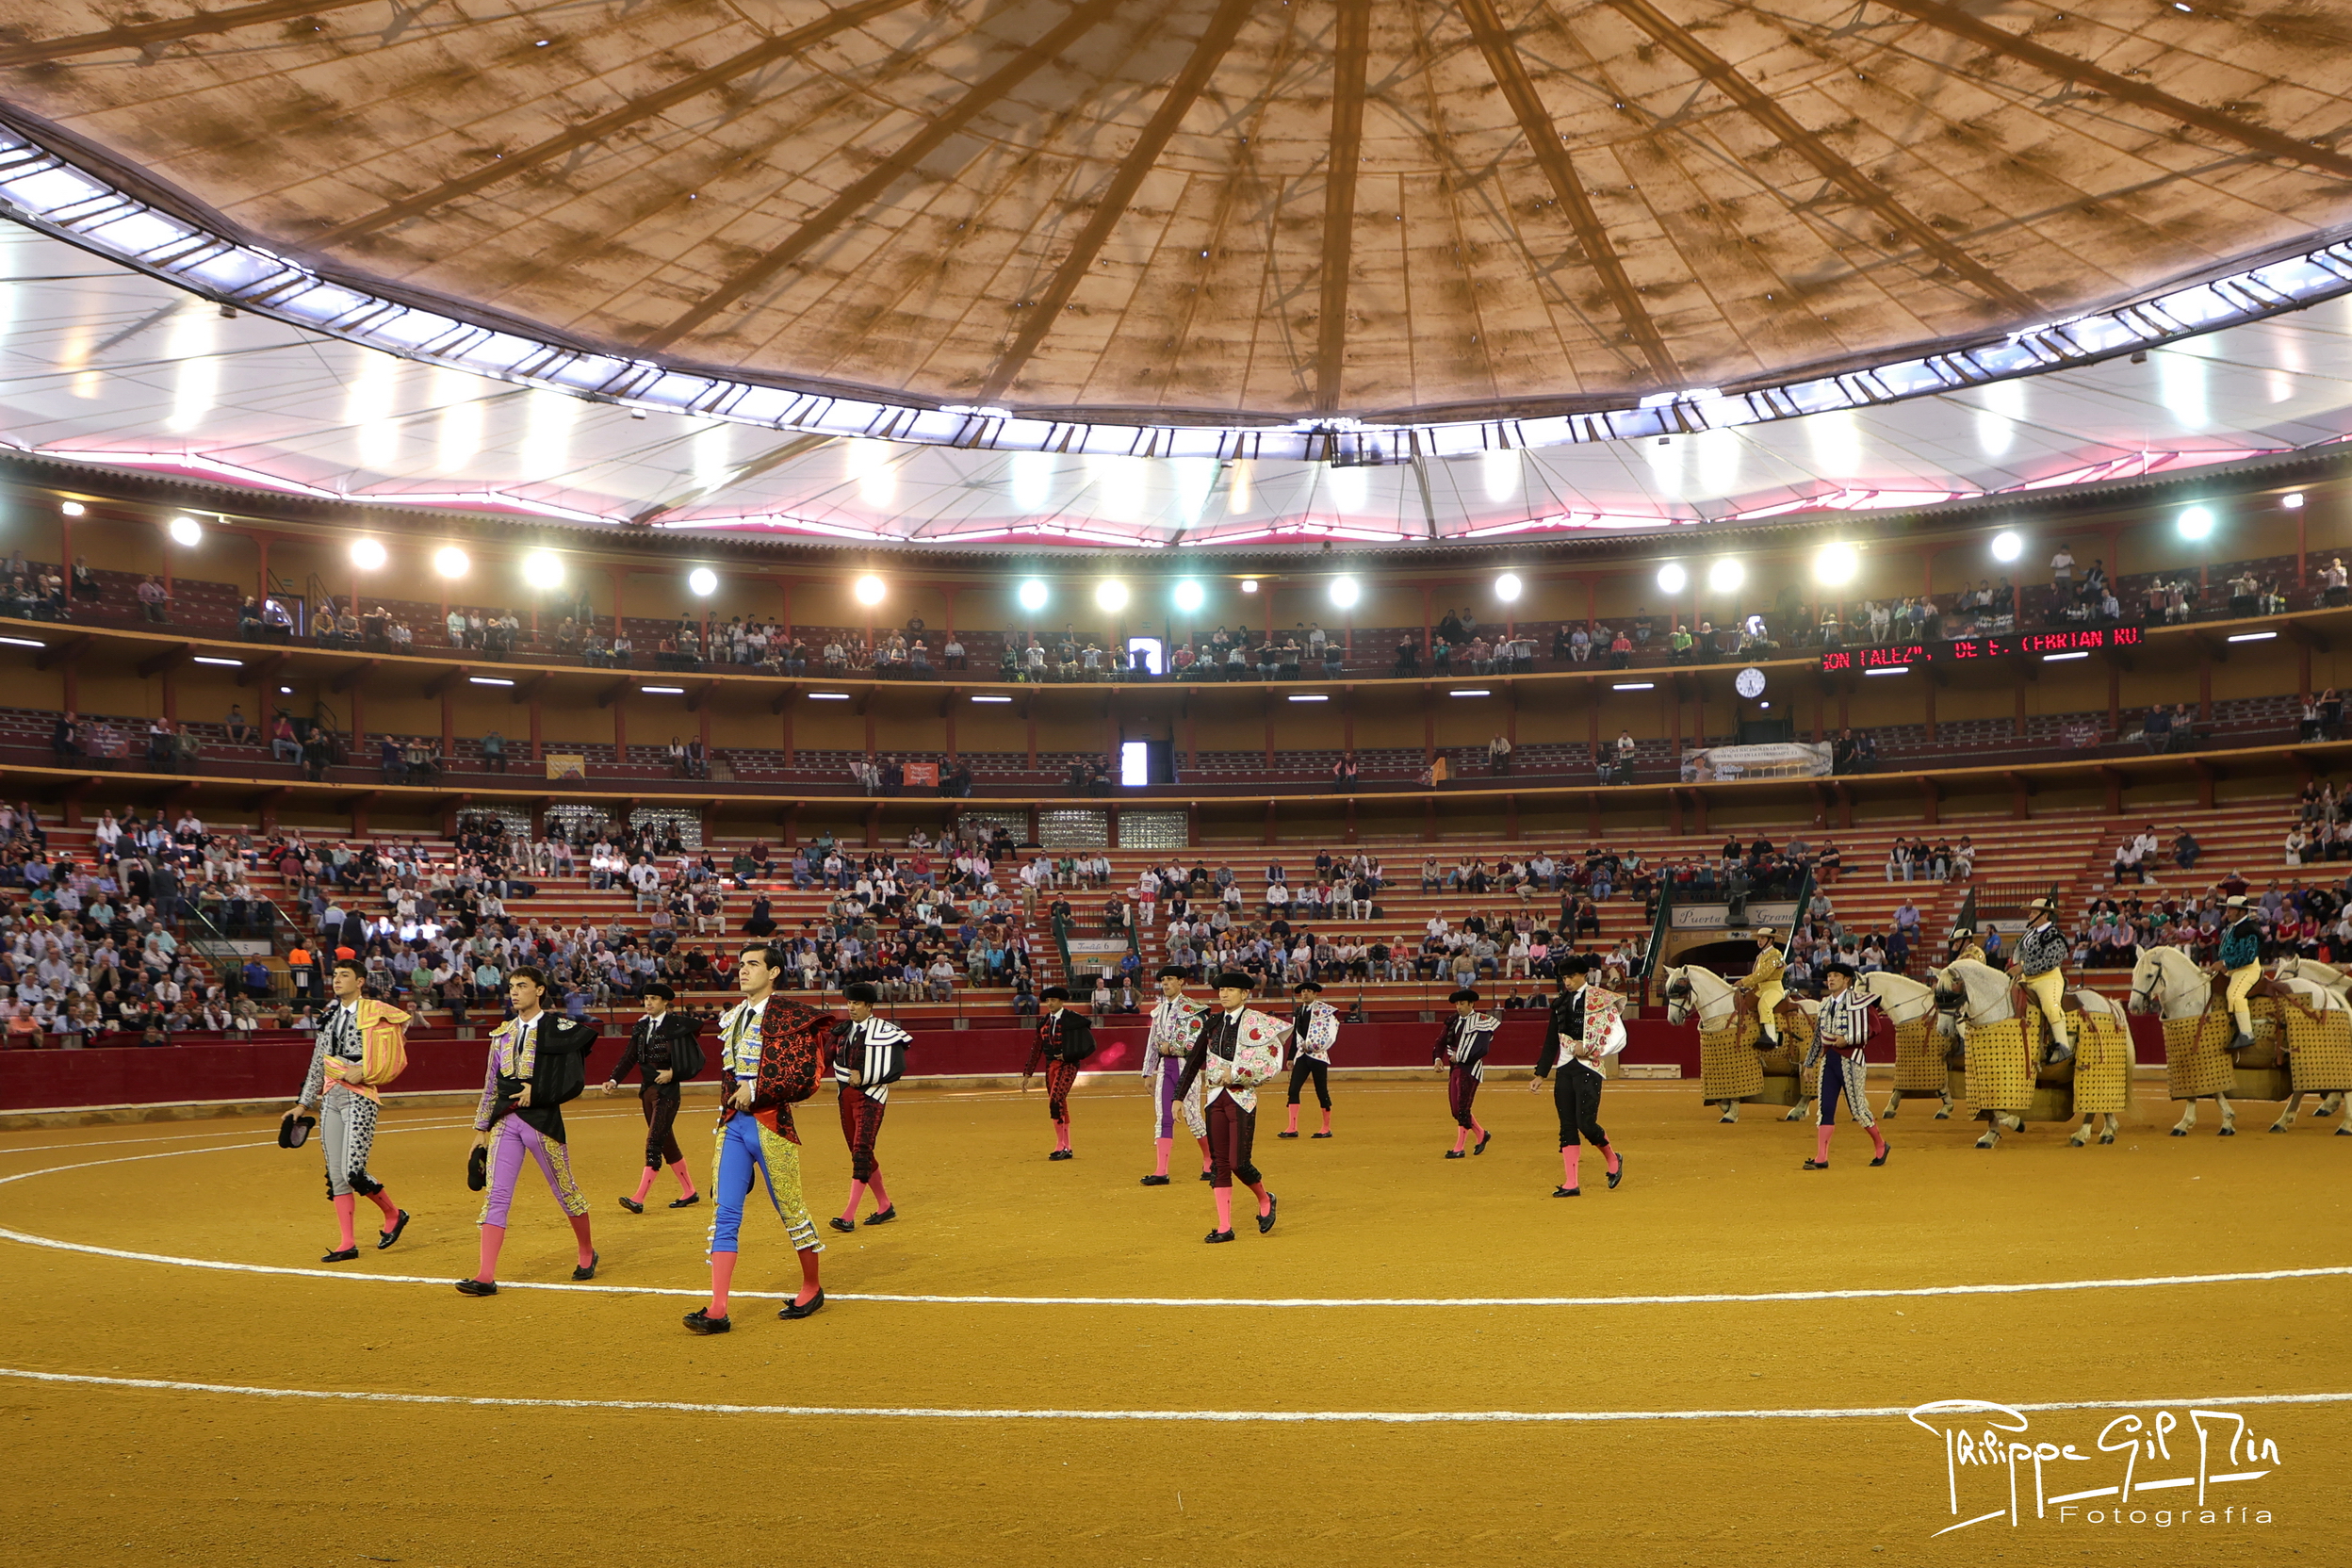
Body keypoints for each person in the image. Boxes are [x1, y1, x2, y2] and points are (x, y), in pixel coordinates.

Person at [685, 944, 832, 1333]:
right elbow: (729, 1077)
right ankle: (718, 1309)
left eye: (753, 964)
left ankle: (812, 1286)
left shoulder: (791, 1016)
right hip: (733, 1125)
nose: (743, 971)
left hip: (771, 1124)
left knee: (791, 1208)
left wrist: (758, 1089)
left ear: (774, 972)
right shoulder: (733, 1017)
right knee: (724, 1212)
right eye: (741, 965)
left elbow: (806, 1075)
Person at [458, 967, 600, 1297]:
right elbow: (491, 1085)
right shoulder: (502, 1034)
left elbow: (573, 1079)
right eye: (511, 986)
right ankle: (485, 1275)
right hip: (506, 1121)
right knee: (496, 1196)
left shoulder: (559, 1029)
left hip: (543, 1121)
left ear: (539, 990)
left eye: (522, 985)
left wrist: (538, 1093)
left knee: (565, 1190)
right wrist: (481, 1129)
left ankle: (586, 1251)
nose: (514, 991)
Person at [284, 957, 412, 1262]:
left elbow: (392, 1054)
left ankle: (394, 1214)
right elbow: (317, 1063)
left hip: (361, 1095)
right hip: (332, 1095)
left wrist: (365, 1070)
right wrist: (302, 1104)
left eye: (344, 975)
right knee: (336, 1174)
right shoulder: (329, 1017)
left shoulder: (376, 1013)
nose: (337, 980)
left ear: (360, 981)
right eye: (336, 975)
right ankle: (347, 1243)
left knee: (353, 1170)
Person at [1173, 972, 1289, 1243]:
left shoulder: (1258, 1023)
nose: (1224, 994)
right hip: (1215, 1098)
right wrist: (1178, 1097)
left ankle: (1265, 1198)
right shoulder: (1212, 1023)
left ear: (1245, 994)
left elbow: (1269, 1064)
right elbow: (1194, 1061)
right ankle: (1224, 1227)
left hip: (1242, 1099)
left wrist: (1236, 1073)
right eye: (1221, 989)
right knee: (1220, 1164)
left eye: (1230, 990)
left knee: (1239, 1162)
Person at [597, 981, 704, 1214]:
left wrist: (674, 1073)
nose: (648, 1002)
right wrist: (614, 1079)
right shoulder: (642, 1026)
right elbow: (629, 1056)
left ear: (665, 1002)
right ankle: (689, 1191)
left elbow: (696, 1060)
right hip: (647, 1091)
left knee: (654, 1142)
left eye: (654, 998)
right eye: (646, 998)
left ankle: (639, 1198)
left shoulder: (676, 1026)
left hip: (667, 1093)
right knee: (667, 1143)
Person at [1528, 956, 1625, 1196]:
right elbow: (1551, 1040)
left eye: (1571, 977)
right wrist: (1540, 1074)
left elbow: (1617, 1034)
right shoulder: (1559, 1003)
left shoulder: (1601, 999)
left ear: (1583, 975)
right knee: (1567, 1126)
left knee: (1586, 1123)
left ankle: (1613, 1157)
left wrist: (1591, 1047)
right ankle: (1571, 1183)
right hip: (1565, 1067)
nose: (1568, 982)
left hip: (1589, 1067)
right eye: (1564, 978)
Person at [829, 981, 911, 1232]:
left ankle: (848, 1215)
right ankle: (885, 1205)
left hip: (871, 1097)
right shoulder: (842, 1032)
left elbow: (897, 1068)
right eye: (849, 1003)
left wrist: (865, 1077)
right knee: (859, 1153)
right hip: (846, 1097)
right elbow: (824, 1060)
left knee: (861, 1151)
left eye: (856, 1003)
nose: (851, 1008)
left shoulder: (886, 1032)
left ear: (869, 1006)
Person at [1801, 961, 1893, 1170]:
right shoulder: (1824, 1004)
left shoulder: (1861, 1001)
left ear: (1846, 980)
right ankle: (1821, 1157)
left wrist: (1849, 1039)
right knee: (1825, 1108)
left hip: (1852, 1059)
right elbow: (1818, 1037)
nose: (1831, 979)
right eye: (1829, 976)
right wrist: (1809, 1063)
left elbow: (1876, 1027)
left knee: (1858, 1109)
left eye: (1836, 975)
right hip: (1829, 1060)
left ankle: (1881, 1144)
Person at [1138, 967, 1211, 1186]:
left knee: (1192, 1116)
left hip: (1186, 1068)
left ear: (1181, 982)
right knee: (1163, 1117)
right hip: (1165, 1068)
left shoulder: (1194, 1009)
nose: (1165, 983)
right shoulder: (1159, 1011)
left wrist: (1171, 1047)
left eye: (1170, 979)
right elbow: (1152, 1042)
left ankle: (1210, 1160)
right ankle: (1161, 1171)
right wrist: (1148, 1072)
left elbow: (1198, 1043)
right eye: (1163, 980)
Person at [1023, 985, 1097, 1159]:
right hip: (1051, 1066)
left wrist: (1069, 1055)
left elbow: (1089, 1045)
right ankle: (1067, 1147)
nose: (1049, 1003)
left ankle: (1061, 1146)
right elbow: (1036, 1049)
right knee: (1059, 1102)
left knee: (1055, 1100)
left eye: (1053, 1000)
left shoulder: (1073, 1019)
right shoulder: (1044, 1023)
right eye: (1048, 1001)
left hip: (1068, 1065)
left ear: (1061, 1001)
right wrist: (1027, 1073)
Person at [1432, 987, 1499, 1158]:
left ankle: (1459, 1148)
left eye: (1462, 1003)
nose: (1458, 1007)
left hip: (1470, 1068)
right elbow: (1440, 1041)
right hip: (1455, 1068)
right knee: (1456, 1110)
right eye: (1457, 1004)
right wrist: (1438, 1058)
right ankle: (1481, 1133)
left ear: (1471, 1004)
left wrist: (1461, 1056)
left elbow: (1482, 1049)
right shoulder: (1452, 1021)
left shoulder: (1482, 1021)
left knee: (1462, 1108)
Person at [2011, 897, 2074, 1063]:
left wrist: (2024, 968)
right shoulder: (2030, 934)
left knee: (2050, 1006)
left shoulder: (2055, 935)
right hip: (2025, 978)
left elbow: (2051, 961)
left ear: (2045, 915)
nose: (2030, 915)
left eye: (2034, 912)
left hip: (2047, 978)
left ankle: (2063, 1046)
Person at [1277, 978, 1338, 1139]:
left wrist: (1314, 1045)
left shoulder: (1324, 1012)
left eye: (1308, 991)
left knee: (1321, 1090)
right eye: (1303, 992)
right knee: (1293, 1089)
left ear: (1315, 994)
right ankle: (1292, 1128)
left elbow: (1329, 1032)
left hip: (1318, 1056)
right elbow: (1296, 1035)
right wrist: (1291, 1057)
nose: (1305, 994)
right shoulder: (1299, 1012)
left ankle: (1326, 1128)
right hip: (1302, 1055)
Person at [2217, 893, 2264, 1052]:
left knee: (2235, 994)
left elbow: (2248, 956)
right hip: (2233, 969)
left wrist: (2224, 963)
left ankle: (2246, 1033)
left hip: (2248, 969)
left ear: (2242, 911)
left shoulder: (2249, 929)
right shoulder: (2233, 926)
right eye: (2228, 909)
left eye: (2231, 909)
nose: (2228, 912)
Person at [1736, 927, 1786, 1046]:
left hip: (1774, 988)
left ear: (1770, 940)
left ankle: (1772, 1038)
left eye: (1762, 938)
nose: (1759, 941)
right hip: (1760, 989)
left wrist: (1743, 982)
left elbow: (1763, 974)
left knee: (1764, 1004)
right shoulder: (1761, 956)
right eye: (1759, 938)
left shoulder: (1775, 954)